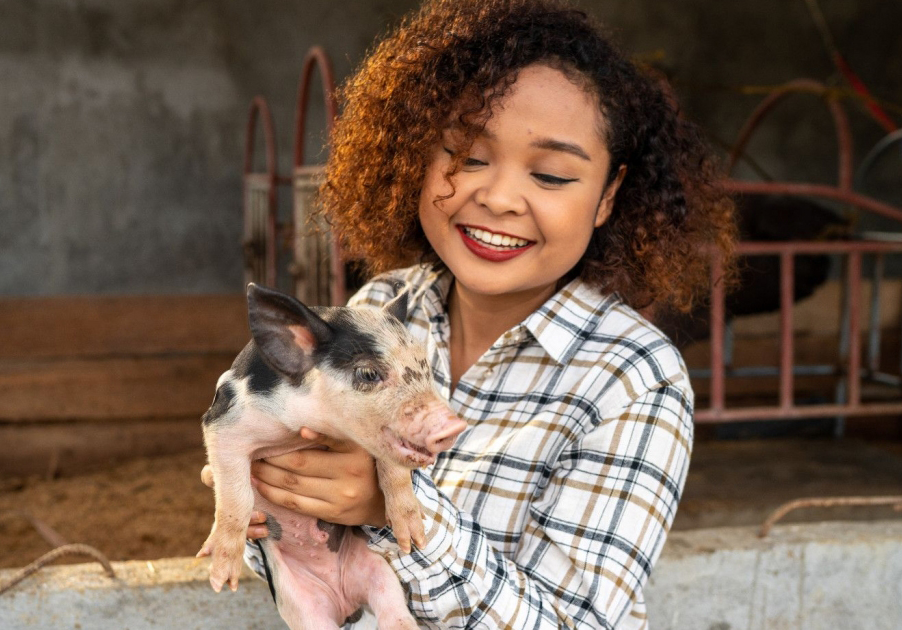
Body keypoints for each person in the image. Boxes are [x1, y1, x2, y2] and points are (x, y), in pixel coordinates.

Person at [212, 0, 737, 627]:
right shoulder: (381, 308)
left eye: (549, 174)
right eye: (467, 156)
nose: (497, 197)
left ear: (609, 197)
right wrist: (268, 500)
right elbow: (305, 554)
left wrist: (392, 505)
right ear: (418, 155)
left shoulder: (634, 378)